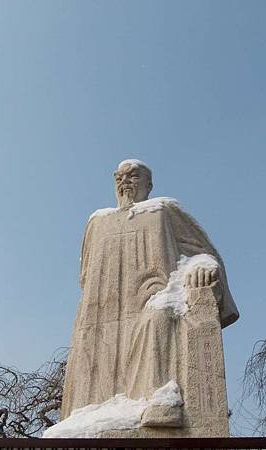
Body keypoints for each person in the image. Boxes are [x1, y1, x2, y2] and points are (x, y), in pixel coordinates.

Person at [60, 159, 238, 428]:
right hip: (100, 311)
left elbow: (205, 252)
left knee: (159, 317)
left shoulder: (163, 211)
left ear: (149, 184)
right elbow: (84, 276)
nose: (124, 182)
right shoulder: (97, 222)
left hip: (153, 295)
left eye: (132, 176)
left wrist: (202, 266)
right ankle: (87, 415)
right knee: (90, 337)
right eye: (119, 177)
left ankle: (162, 399)